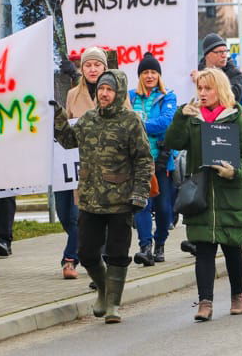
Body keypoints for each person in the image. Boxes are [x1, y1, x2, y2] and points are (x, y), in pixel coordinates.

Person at [53, 69, 152, 323]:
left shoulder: (131, 121)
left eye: (109, 90)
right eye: (101, 90)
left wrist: (140, 193)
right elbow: (67, 141)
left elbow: (143, 160)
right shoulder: (88, 119)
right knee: (86, 253)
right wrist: (57, 116)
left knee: (118, 254)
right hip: (90, 200)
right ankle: (104, 289)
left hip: (121, 200)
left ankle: (113, 305)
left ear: (118, 93)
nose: (104, 94)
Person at [165, 68, 242, 321]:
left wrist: (235, 171)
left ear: (220, 89)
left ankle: (237, 295)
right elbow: (172, 142)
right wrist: (180, 117)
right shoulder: (193, 118)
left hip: (231, 195)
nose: (203, 93)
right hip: (201, 195)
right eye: (200, 89)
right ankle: (205, 302)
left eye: (208, 88)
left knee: (232, 248)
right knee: (204, 250)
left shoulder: (235, 118)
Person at [56, 46, 130, 279]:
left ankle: (72, 259)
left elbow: (127, 123)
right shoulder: (72, 94)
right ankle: (92, 249)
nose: (92, 69)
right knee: (65, 213)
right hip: (77, 163)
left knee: (81, 215)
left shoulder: (118, 91)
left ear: (104, 68)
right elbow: (69, 131)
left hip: (106, 168)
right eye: (88, 64)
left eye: (97, 64)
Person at [129, 52, 177, 266]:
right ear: (139, 76)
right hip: (137, 162)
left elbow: (166, 122)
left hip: (161, 161)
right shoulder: (130, 97)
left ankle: (160, 243)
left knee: (165, 209)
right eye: (145, 72)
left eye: (153, 72)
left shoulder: (168, 97)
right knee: (142, 205)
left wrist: (138, 125)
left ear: (159, 75)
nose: (149, 76)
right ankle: (145, 247)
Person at [194, 33, 242, 103]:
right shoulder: (196, 71)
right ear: (207, 55)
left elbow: (233, 97)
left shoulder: (234, 73)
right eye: (220, 52)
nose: (224, 55)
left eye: (225, 51)